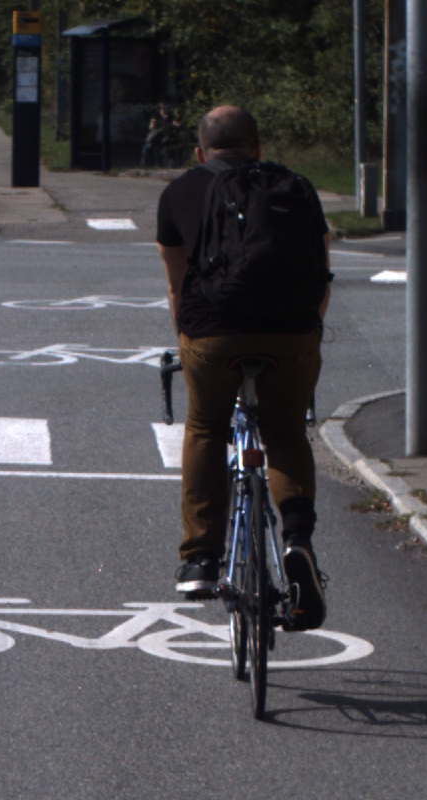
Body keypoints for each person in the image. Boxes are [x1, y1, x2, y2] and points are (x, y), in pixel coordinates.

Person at [155, 105, 331, 630]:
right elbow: (321, 275)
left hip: (214, 334)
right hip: (292, 333)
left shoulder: (178, 193)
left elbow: (176, 286)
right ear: (257, 148)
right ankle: (296, 540)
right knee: (286, 431)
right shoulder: (294, 188)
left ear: (199, 152)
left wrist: (189, 343)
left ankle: (201, 559)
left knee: (207, 425)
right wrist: (306, 333)